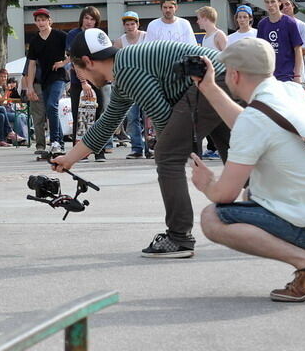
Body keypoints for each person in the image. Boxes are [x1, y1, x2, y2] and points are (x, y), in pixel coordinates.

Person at [187, 37, 305, 301]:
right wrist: (210, 88)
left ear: (235, 75)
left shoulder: (256, 119)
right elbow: (253, 124)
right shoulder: (291, 92)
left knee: (212, 218)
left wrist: (207, 183)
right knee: (253, 197)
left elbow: (224, 195)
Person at [53, 30, 232, 258]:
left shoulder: (126, 70)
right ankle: (273, 215)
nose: (81, 77)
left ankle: (179, 238)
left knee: (167, 155)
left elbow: (163, 118)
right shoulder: (125, 68)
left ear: (87, 61)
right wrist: (69, 159)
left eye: (77, 70)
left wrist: (177, 147)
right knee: (238, 154)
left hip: (209, 81)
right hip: (224, 75)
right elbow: (107, 123)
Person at [65, 6, 109, 159]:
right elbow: (74, 60)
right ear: (82, 19)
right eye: (86, 18)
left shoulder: (99, 35)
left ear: (96, 22)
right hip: (79, 81)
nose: (89, 21)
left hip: (97, 80)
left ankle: (99, 150)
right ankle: (80, 153)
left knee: (99, 114)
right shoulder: (73, 34)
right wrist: (84, 81)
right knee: (80, 116)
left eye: (92, 19)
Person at [24, 8, 68, 156]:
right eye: (38, 20)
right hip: (44, 80)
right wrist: (29, 86)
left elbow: (74, 52)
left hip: (59, 77)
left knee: (51, 105)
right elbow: (31, 64)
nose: (41, 22)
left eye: (44, 19)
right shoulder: (34, 40)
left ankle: (55, 141)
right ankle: (60, 144)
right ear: (35, 23)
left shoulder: (60, 35)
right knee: (51, 110)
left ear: (49, 20)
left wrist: (63, 63)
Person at [114, 11, 147, 159]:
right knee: (133, 118)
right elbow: (115, 62)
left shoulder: (146, 36)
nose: (130, 26)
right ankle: (137, 148)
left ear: (137, 24)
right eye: (127, 24)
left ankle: (151, 147)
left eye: (132, 23)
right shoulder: (120, 41)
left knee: (149, 118)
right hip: (130, 85)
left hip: (147, 82)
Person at [256, 0, 304, 83]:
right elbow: (260, 51)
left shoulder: (290, 23)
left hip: (287, 75)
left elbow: (298, 49)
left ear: (279, 2)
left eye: (273, 2)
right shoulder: (262, 24)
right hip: (268, 76)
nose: (270, 5)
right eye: (267, 2)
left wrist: (297, 74)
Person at [280, 0, 305, 83]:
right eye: (282, 5)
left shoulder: (301, 25)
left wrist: (286, 50)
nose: (285, 7)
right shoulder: (273, 25)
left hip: (297, 74)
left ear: (293, 6)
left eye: (287, 4)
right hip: (278, 74)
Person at [0, 70, 28, 143]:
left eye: (5, 76)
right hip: (0, 110)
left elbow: (5, 101)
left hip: (7, 109)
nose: (3, 78)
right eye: (1, 76)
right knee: (18, 116)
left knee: (23, 115)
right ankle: (20, 139)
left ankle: (24, 137)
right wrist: (6, 92)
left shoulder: (4, 86)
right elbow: (1, 101)